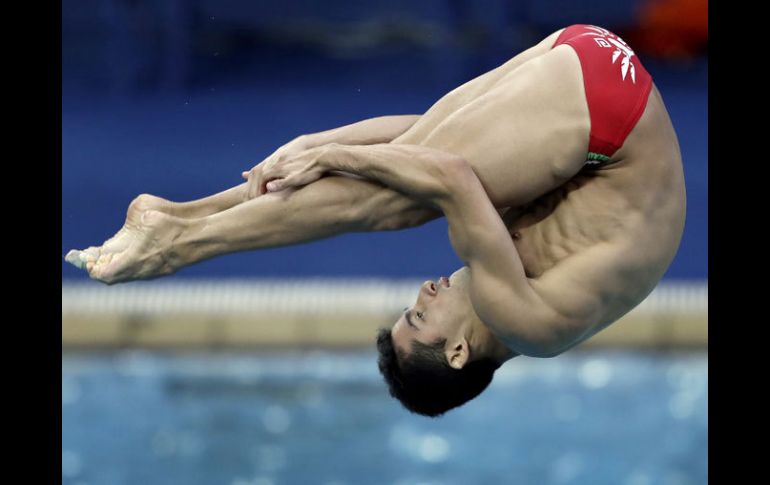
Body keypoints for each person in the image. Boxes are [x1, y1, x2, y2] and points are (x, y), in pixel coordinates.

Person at [66, 25, 686, 417]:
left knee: (405, 185)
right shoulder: (529, 323)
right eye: (420, 317)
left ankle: (182, 215)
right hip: (609, 104)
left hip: (593, 62)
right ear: (460, 351)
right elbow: (446, 173)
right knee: (395, 206)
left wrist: (323, 137)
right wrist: (330, 152)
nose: (422, 293)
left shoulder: (525, 289)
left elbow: (418, 143)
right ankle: (181, 243)